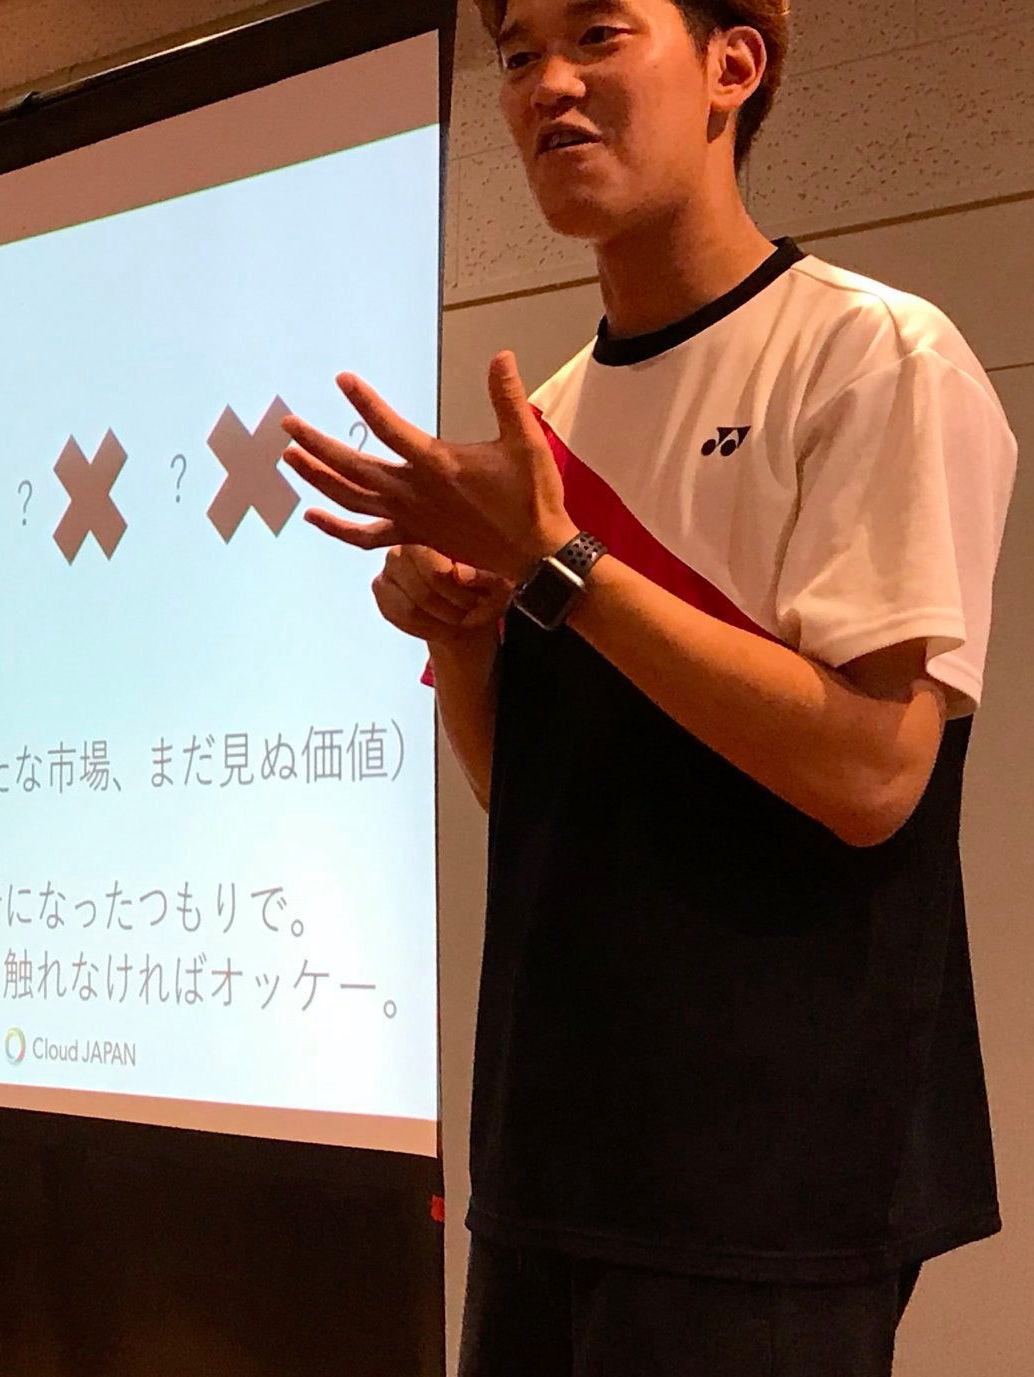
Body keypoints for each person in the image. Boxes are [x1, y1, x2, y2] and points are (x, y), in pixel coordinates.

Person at [279, 1, 1019, 1372]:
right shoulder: (550, 418)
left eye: (600, 35)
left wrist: (560, 564)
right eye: (518, 55)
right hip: (551, 1164)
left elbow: (874, 775)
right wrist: (463, 637)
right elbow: (535, 801)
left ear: (734, 64)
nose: (546, 85)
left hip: (772, 1185)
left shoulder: (871, 355)